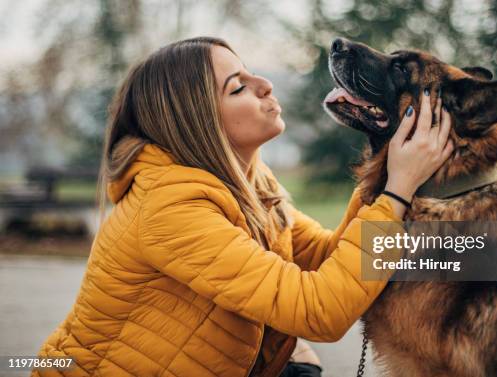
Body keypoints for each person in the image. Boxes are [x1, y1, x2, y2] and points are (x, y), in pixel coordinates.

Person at [31, 36, 453, 377]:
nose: (265, 84)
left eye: (251, 72)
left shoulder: (252, 183)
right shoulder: (170, 208)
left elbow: (329, 259)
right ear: (198, 122)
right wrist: (398, 188)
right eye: (238, 87)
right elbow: (319, 310)